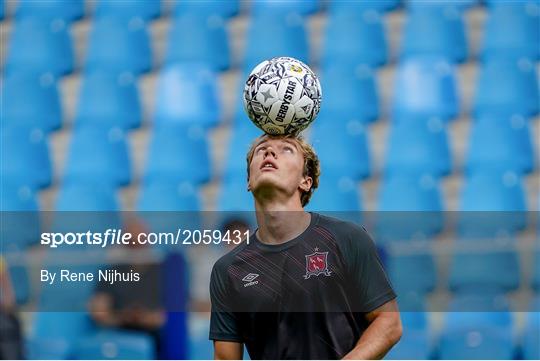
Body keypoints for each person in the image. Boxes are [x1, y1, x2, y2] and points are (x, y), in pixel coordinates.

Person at [209, 134, 402, 360]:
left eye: (286, 149)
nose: (269, 153)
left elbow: (389, 323)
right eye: (261, 150)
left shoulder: (347, 238)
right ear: (249, 182)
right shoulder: (228, 269)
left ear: (305, 181)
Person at [89, 218, 165, 357]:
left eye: (139, 241)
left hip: (155, 337)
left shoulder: (163, 273)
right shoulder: (111, 272)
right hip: (118, 335)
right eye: (131, 241)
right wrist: (122, 318)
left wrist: (148, 319)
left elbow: (177, 310)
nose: (136, 246)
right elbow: (99, 311)